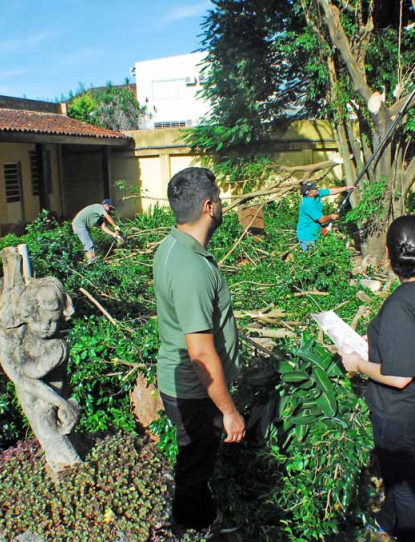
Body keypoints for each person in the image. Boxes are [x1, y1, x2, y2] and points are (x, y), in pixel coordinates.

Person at [339, 215, 415, 542]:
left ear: (390, 257)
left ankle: (413, 534)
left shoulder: (400, 306)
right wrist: (377, 346)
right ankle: (386, 524)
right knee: (406, 469)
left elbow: (399, 377)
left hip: (403, 412)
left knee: (404, 488)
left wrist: (357, 364)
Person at [153, 167, 244, 536]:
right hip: (195, 391)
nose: (222, 204)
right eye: (219, 198)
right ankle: (194, 526)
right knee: (195, 466)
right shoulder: (192, 270)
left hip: (180, 385)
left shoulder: (171, 245)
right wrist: (229, 411)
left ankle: (197, 513)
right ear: (209, 206)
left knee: (193, 458)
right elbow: (203, 357)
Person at [296, 182, 354, 251]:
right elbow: (321, 219)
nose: (317, 188)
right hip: (307, 236)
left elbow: (330, 191)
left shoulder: (316, 194)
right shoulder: (308, 204)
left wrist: (346, 188)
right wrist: (331, 216)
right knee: (311, 257)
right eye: (314, 188)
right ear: (310, 193)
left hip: (315, 231)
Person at [71, 199, 124, 264]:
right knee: (89, 243)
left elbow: (103, 227)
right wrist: (115, 226)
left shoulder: (99, 215)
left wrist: (114, 235)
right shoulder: (99, 207)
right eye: (110, 208)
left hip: (80, 226)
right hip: (79, 225)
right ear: (106, 205)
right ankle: (91, 259)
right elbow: (107, 216)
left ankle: (86, 261)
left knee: (87, 243)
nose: (110, 210)